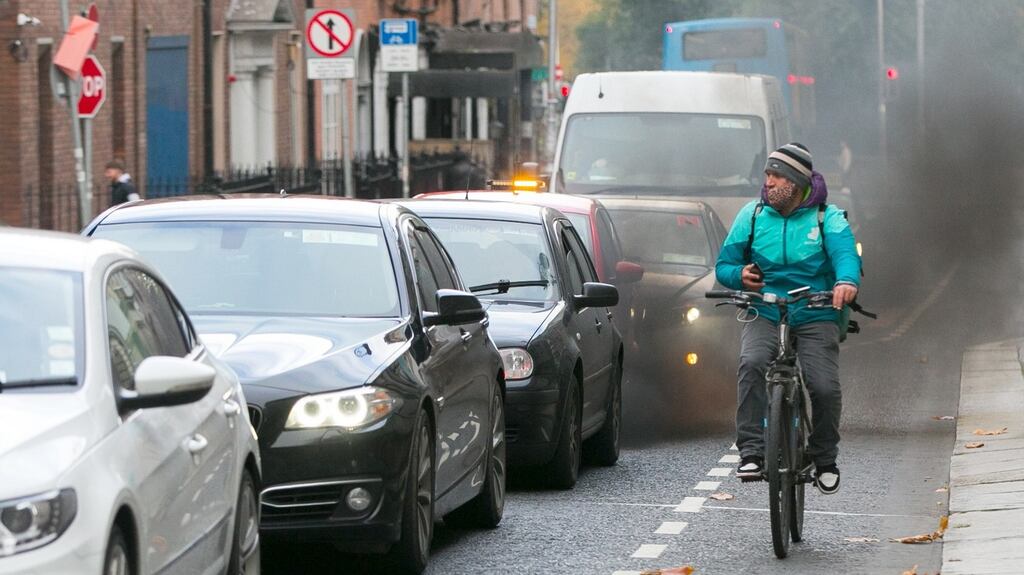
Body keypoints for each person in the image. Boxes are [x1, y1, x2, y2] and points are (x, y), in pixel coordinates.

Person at [714, 143, 861, 494]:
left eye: (775, 176)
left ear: (795, 182)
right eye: (767, 174)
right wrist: (739, 275)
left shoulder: (827, 218)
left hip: (814, 311)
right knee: (751, 364)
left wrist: (845, 282)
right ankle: (752, 451)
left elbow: (846, 257)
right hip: (763, 308)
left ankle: (824, 457)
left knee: (823, 386)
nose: (767, 182)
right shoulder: (751, 215)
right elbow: (724, 266)